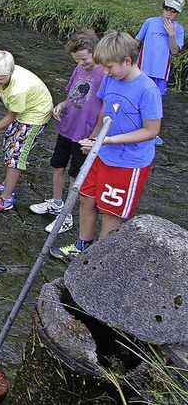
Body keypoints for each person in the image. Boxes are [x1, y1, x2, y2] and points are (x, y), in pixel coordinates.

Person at [51, 30, 162, 262]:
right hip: (102, 153)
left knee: (111, 212)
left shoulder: (148, 90)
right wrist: (94, 139)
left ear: (128, 61)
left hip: (128, 162)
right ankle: (82, 246)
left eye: (110, 67)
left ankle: (97, 261)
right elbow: (104, 110)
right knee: (87, 198)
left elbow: (151, 131)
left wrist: (108, 140)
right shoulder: (111, 79)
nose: (106, 72)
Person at [29, 29, 104, 234]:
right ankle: (56, 202)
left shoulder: (105, 74)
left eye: (84, 59)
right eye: (77, 60)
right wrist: (62, 105)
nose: (81, 63)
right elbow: (73, 96)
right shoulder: (78, 70)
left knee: (75, 175)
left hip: (85, 134)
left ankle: (67, 216)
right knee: (58, 165)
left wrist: (94, 138)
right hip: (68, 127)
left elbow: (104, 111)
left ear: (94, 51)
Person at [0, 50, 53, 213]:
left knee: (15, 156)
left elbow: (11, 116)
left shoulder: (18, 89)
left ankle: (6, 198)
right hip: (23, 111)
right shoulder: (2, 71)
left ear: (10, 72)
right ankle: (6, 183)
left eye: (0, 79)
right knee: (8, 146)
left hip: (34, 116)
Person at [135, 0, 184, 97]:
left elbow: (174, 51)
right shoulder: (150, 22)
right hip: (143, 69)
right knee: (137, 96)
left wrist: (171, 34)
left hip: (161, 73)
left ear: (178, 13)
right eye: (167, 9)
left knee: (156, 99)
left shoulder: (179, 29)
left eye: (173, 11)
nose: (169, 13)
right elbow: (136, 42)